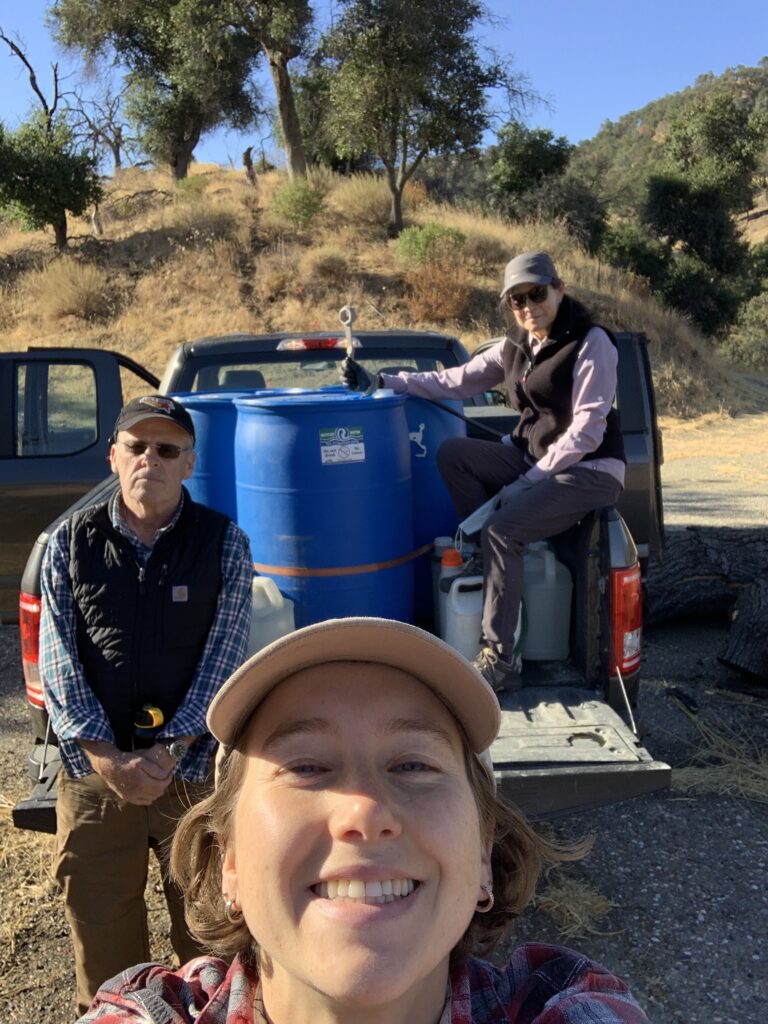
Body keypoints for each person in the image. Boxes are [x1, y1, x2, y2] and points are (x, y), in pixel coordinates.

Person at [76, 616, 650, 1024]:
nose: (365, 813)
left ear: (482, 855)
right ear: (229, 862)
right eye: (306, 766)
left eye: (413, 764)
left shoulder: (562, 1006)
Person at [40, 394, 254, 1016]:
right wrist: (106, 757)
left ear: (189, 463)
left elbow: (224, 658)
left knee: (209, 925)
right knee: (102, 931)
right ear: (113, 455)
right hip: (93, 774)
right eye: (136, 447)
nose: (149, 460)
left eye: (167, 450)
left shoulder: (224, 544)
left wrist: (169, 749)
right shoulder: (67, 542)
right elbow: (56, 660)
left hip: (189, 774)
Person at [341, 251, 625, 693]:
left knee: (503, 530)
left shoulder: (591, 342)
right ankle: (489, 562)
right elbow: (456, 381)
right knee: (456, 453)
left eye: (537, 293)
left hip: (590, 469)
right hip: (534, 460)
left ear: (559, 289)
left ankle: (500, 659)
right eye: (517, 300)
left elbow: (588, 431)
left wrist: (527, 483)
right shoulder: (514, 345)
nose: (528, 306)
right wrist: (384, 381)